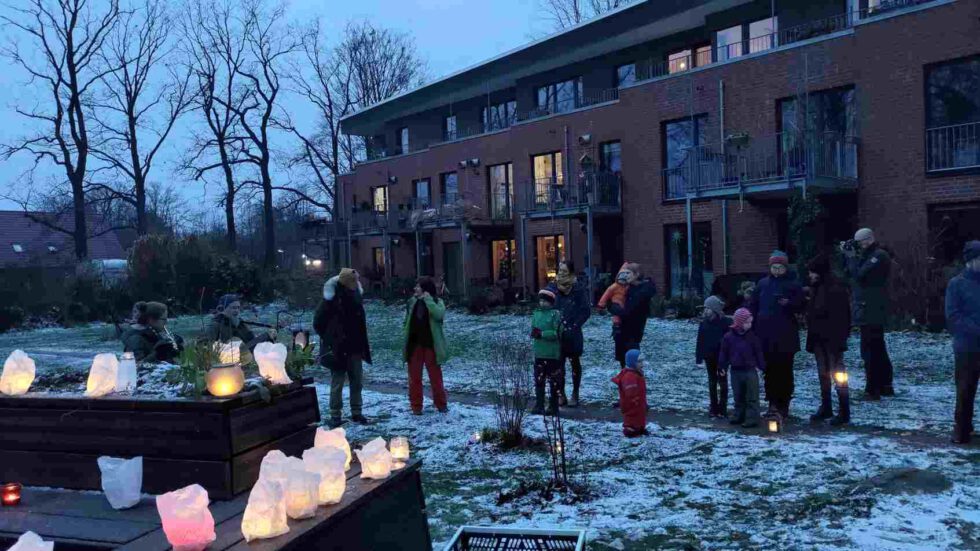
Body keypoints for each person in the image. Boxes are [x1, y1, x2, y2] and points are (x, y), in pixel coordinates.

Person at [314, 268, 372, 428]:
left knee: (357, 381)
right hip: (338, 348)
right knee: (337, 382)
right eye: (353, 281)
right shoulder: (331, 299)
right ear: (346, 282)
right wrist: (331, 339)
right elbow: (317, 322)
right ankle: (335, 415)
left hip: (354, 346)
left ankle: (357, 412)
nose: (356, 283)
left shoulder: (356, 296)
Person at [749, 250, 805, 419]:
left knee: (785, 371)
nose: (777, 270)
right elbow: (753, 304)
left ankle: (784, 402)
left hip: (786, 335)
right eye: (774, 267)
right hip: (765, 335)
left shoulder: (793, 285)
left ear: (785, 267)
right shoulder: (763, 284)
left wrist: (789, 303)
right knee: (769, 371)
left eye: (780, 267)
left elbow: (801, 305)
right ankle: (772, 402)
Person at [843, 228, 895, 400]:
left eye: (861, 242)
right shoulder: (870, 255)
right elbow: (851, 273)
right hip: (869, 308)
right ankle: (884, 385)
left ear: (870, 239)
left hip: (872, 309)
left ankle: (873, 389)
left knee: (870, 350)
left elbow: (859, 274)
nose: (859, 246)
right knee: (878, 348)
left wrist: (851, 257)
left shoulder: (878, 256)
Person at [805, 254, 852, 426]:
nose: (810, 275)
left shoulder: (834, 289)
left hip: (831, 339)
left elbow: (842, 317)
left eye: (812, 272)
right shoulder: (818, 288)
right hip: (820, 338)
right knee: (823, 374)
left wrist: (840, 338)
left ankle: (843, 410)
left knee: (837, 374)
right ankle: (827, 407)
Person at [945, 241, 980, 444]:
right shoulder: (956, 284)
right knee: (965, 389)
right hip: (967, 347)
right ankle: (962, 429)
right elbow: (953, 316)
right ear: (970, 261)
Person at [545, 261, 591, 407]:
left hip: (573, 333)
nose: (561, 274)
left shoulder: (578, 289)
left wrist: (574, 326)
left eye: (564, 271)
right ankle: (561, 394)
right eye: (559, 270)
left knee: (574, 363)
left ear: (571, 273)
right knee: (559, 365)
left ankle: (575, 393)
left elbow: (585, 310)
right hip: (557, 333)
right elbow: (545, 301)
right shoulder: (553, 288)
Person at [403, 276, 449, 415]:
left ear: (425, 289)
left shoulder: (437, 301)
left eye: (418, 286)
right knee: (414, 378)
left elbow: (439, 315)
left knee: (435, 377)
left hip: (431, 346)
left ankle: (441, 404)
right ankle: (416, 407)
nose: (415, 289)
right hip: (414, 345)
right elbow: (407, 320)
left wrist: (428, 300)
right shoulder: (411, 302)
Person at [719, 308, 765, 428]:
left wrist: (762, 366)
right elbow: (724, 353)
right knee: (738, 395)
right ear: (739, 322)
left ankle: (752, 418)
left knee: (751, 395)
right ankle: (738, 415)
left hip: (750, 370)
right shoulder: (728, 337)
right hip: (735, 370)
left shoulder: (752, 337)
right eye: (747, 322)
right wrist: (722, 366)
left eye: (750, 322)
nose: (749, 325)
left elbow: (758, 352)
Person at [606, 262, 656, 369]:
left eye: (628, 273)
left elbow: (627, 310)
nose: (625, 275)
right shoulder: (627, 287)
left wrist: (611, 307)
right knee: (623, 360)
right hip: (621, 329)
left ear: (636, 274)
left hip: (633, 330)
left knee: (632, 361)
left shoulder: (642, 291)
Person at [696, 295, 731, 418]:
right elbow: (700, 341)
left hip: (722, 358)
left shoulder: (725, 323)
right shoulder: (704, 324)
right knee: (712, 382)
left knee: (722, 382)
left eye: (708, 308)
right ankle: (713, 406)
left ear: (715, 309)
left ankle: (723, 407)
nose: (705, 311)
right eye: (705, 308)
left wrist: (728, 356)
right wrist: (699, 357)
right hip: (709, 357)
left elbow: (729, 341)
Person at [530, 289, 563, 415]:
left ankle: (553, 406)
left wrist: (542, 334)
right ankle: (539, 404)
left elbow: (557, 332)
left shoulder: (555, 314)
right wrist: (534, 333)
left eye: (545, 301)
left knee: (553, 381)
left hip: (552, 354)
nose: (542, 303)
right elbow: (533, 327)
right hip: (539, 352)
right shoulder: (536, 314)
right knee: (539, 380)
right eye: (541, 300)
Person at [205, 294, 276, 351]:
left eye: (238, 308)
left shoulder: (240, 324)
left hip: (243, 358)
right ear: (223, 309)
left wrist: (268, 337)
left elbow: (252, 344)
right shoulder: (215, 324)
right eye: (233, 308)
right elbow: (204, 345)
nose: (236, 311)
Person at [612, 349, 648, 437]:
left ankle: (640, 427)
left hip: (639, 402)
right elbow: (629, 392)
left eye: (642, 361)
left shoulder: (637, 373)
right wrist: (635, 399)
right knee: (632, 416)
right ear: (632, 362)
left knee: (640, 415)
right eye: (639, 362)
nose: (642, 364)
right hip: (632, 403)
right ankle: (630, 429)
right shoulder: (629, 376)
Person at [598, 263, 631, 330]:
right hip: (616, 303)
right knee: (618, 314)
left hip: (625, 304)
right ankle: (617, 325)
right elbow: (606, 295)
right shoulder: (614, 286)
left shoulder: (629, 286)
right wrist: (601, 306)